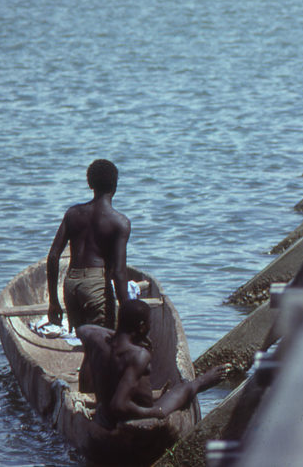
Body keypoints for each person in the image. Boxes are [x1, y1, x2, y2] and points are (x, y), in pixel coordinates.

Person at [77, 299, 226, 429]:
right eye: (149, 324)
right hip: (132, 415)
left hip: (105, 415)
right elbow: (119, 404)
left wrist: (118, 335)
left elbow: (82, 329)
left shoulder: (96, 339)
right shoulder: (139, 355)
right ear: (142, 327)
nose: (149, 328)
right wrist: (154, 412)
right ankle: (205, 380)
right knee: (185, 386)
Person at [47, 159, 131, 332]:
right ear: (115, 185)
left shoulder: (72, 214)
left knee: (84, 340)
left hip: (71, 284)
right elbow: (119, 272)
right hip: (96, 285)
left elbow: (53, 256)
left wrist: (54, 302)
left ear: (90, 184)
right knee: (104, 339)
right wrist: (127, 310)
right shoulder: (119, 222)